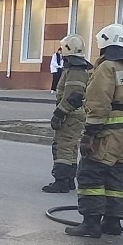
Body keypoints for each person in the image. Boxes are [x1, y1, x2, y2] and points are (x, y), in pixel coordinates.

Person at [65, 23, 123, 238]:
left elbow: (99, 102)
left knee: (91, 173)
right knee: (117, 177)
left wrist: (89, 135)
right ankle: (113, 222)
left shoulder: (107, 67)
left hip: (107, 134)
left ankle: (90, 224)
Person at [45, 34, 92, 193]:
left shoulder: (76, 70)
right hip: (76, 114)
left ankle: (62, 181)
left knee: (63, 146)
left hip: (70, 114)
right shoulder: (77, 67)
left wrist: (59, 113)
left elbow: (73, 96)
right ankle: (69, 180)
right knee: (70, 147)